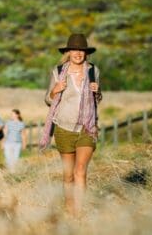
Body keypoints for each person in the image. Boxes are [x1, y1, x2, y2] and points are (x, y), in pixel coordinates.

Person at [40, 33, 102, 216]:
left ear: (86, 53)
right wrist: (54, 91)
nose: (78, 53)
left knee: (80, 171)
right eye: (74, 49)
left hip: (87, 128)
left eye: (81, 50)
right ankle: (69, 209)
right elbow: (47, 99)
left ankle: (79, 212)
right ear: (68, 52)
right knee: (68, 176)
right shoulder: (59, 71)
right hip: (64, 128)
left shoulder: (93, 71)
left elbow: (97, 98)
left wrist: (97, 92)